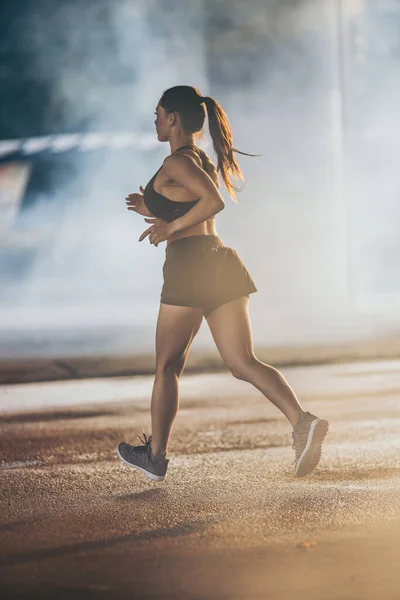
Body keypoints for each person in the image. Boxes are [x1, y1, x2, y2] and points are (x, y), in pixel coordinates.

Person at [117, 85, 328, 482]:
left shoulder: (179, 162)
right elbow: (192, 200)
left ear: (173, 118)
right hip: (218, 260)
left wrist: (170, 227)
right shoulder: (196, 159)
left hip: (190, 264)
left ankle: (156, 457)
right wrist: (151, 205)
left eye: (159, 113)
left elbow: (213, 202)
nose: (156, 120)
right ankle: (303, 422)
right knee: (243, 362)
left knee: (167, 366)